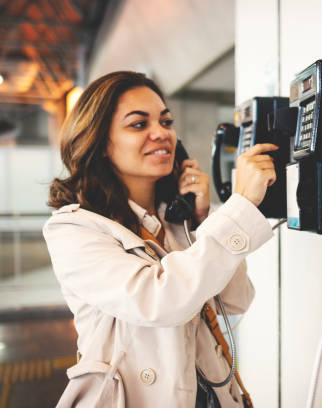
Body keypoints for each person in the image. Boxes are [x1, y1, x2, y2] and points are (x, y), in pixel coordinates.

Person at [43, 71, 278, 407]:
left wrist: (201, 221)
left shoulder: (178, 220)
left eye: (166, 122)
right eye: (139, 125)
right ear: (101, 143)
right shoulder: (74, 230)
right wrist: (239, 206)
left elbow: (237, 299)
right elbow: (158, 300)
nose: (161, 134)